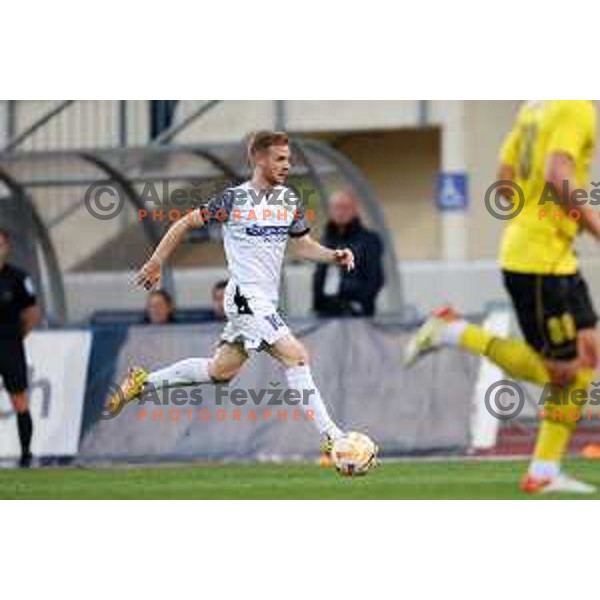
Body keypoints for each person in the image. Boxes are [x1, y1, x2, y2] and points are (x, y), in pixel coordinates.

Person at [108, 131, 356, 458]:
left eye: (288, 158)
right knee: (296, 355)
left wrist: (332, 256)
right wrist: (156, 261)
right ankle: (333, 437)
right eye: (280, 159)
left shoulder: (288, 200)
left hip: (263, 301)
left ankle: (144, 383)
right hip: (243, 297)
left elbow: (302, 245)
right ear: (258, 159)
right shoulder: (234, 199)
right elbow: (184, 222)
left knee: (220, 371)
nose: (287, 165)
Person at [406, 100, 599, 494]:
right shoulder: (574, 106)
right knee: (560, 373)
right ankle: (454, 331)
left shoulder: (532, 109)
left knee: (588, 354)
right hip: (539, 262)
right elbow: (557, 174)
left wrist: (532, 220)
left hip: (550, 255)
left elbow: (504, 176)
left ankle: (544, 472)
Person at [0, 228, 41, 467]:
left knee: (19, 399)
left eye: (1, 245)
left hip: (9, 345)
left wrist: (17, 336)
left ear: (7, 248)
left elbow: (32, 312)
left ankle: (26, 454)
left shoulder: (18, 278)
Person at [313, 191, 384, 317]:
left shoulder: (369, 240)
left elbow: (375, 280)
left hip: (357, 314)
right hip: (325, 314)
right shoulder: (325, 241)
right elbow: (319, 278)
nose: (340, 212)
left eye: (345, 207)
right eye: (336, 207)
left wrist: (351, 296)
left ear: (355, 210)